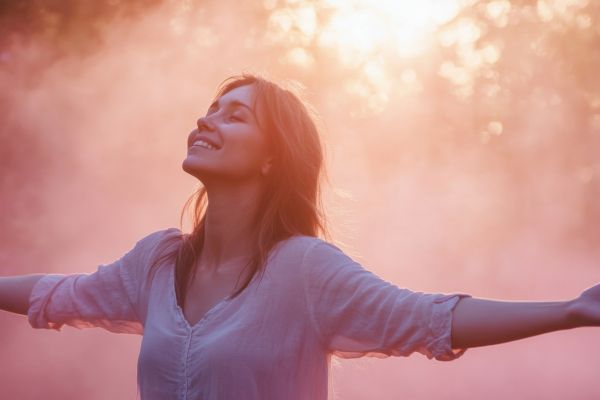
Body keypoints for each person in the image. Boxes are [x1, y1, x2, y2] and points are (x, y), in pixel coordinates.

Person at [0, 74, 599, 400]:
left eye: (235, 115)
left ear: (271, 161)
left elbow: (429, 318)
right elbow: (58, 293)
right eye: (210, 108)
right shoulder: (156, 261)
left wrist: (572, 311)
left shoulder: (304, 269)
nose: (206, 118)